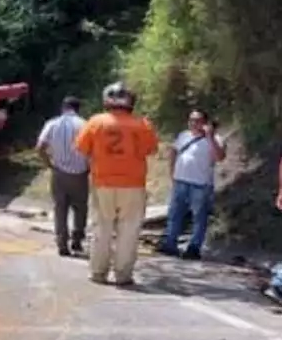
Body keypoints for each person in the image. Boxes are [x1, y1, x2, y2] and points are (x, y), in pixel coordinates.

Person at [74, 82, 159, 286]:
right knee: (129, 230)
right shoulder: (142, 124)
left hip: (102, 183)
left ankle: (98, 272)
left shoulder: (96, 122)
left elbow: (81, 148)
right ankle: (123, 275)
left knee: (101, 228)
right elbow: (151, 149)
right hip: (133, 184)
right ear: (131, 102)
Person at [159, 110, 226, 260]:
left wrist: (210, 137)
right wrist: (172, 172)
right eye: (191, 120)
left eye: (197, 120)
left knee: (199, 217)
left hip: (200, 184)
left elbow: (219, 157)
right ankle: (170, 243)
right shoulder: (184, 135)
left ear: (205, 122)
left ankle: (194, 247)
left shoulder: (215, 139)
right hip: (180, 181)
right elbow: (174, 152)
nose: (193, 123)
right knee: (174, 214)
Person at [36, 96, 90, 257]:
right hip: (80, 174)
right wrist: (89, 168)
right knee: (80, 208)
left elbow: (40, 147)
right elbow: (93, 150)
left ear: (63, 108)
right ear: (78, 109)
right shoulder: (85, 125)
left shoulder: (52, 123)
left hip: (59, 173)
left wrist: (49, 164)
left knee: (60, 208)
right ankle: (77, 240)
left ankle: (62, 243)